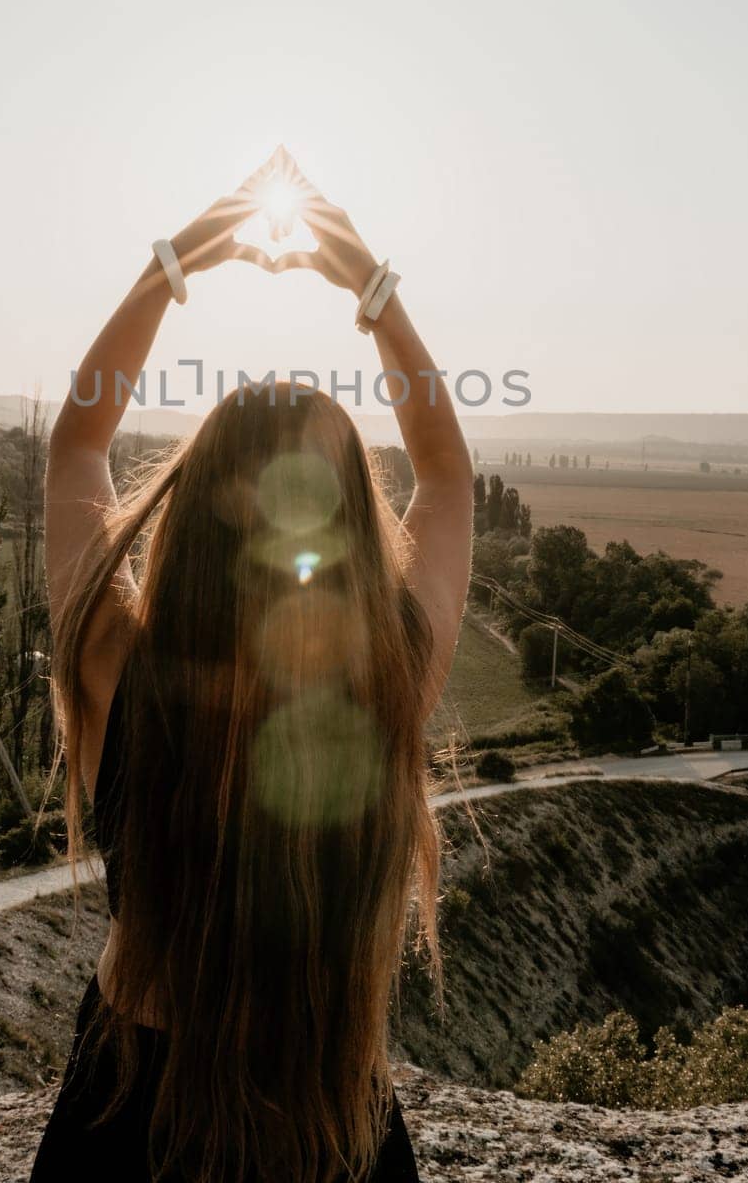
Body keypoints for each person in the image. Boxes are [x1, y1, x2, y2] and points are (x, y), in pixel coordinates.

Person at [30, 148, 474, 1183]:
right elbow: (448, 476)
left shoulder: (117, 666)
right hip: (332, 1120)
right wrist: (372, 290)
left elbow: (76, 447)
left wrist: (171, 265)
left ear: (190, 522)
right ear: (354, 531)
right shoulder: (391, 676)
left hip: (124, 1117)